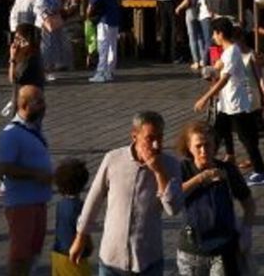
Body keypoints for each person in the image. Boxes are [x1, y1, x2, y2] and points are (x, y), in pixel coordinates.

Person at [69, 110, 184, 274]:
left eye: (160, 137)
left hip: (148, 260)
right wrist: (81, 236)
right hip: (112, 261)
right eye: (150, 138)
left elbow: (173, 208)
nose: (156, 145)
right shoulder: (113, 159)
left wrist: (159, 172)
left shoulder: (171, 165)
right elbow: (94, 199)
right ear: (134, 136)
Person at [196, 18, 264, 186]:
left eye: (214, 33)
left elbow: (224, 79)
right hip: (226, 104)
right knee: (215, 134)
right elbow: (217, 69)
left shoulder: (233, 52)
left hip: (237, 104)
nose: (213, 37)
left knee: (247, 139)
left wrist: (205, 97)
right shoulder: (228, 51)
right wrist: (208, 70)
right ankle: (205, 166)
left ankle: (261, 171)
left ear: (220, 34)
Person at [176, 119, 255, 276]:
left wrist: (246, 230)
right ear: (189, 147)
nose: (203, 151)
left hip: (223, 249)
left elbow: (248, 202)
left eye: (208, 145)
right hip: (190, 250)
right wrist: (200, 178)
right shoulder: (182, 169)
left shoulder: (227, 170)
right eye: (198, 146)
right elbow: (173, 197)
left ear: (215, 145)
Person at [0, 84, 53, 276]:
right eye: (39, 102)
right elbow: (4, 168)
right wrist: (36, 174)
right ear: (24, 104)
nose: (44, 106)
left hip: (38, 201)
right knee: (20, 255)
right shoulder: (11, 134)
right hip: (22, 204)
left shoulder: (31, 128)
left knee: (33, 253)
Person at [50, 158, 90, 276]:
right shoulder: (80, 206)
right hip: (75, 256)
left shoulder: (60, 204)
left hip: (57, 253)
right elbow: (82, 231)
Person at [86, 0, 121, 84]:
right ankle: (110, 72)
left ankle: (101, 72)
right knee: (112, 46)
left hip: (104, 20)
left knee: (103, 46)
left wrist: (87, 16)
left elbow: (91, 5)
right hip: (114, 18)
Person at [35, 0, 71, 76]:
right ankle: (45, 68)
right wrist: (47, 17)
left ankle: (55, 65)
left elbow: (58, 3)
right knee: (46, 45)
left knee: (55, 43)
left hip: (55, 18)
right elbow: (41, 7)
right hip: (46, 20)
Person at [177, 0, 204, 74]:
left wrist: (178, 8)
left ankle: (196, 60)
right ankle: (203, 59)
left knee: (192, 37)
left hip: (190, 11)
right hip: (200, 11)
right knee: (200, 36)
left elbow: (187, 1)